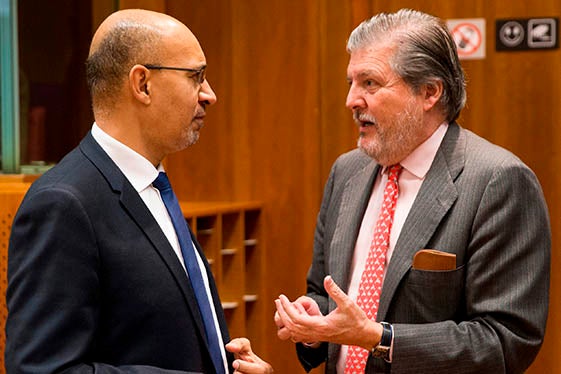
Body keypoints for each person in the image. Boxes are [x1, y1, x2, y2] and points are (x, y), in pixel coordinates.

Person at [274, 8, 550, 374]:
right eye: (351, 83)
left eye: (370, 83)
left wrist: (379, 338)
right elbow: (325, 293)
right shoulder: (347, 171)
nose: (352, 100)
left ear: (429, 92)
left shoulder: (497, 181)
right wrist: (314, 323)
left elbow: (505, 341)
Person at [5, 9, 272, 374]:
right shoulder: (62, 204)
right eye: (197, 77)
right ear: (142, 84)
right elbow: (43, 369)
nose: (210, 95)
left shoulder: (154, 185)